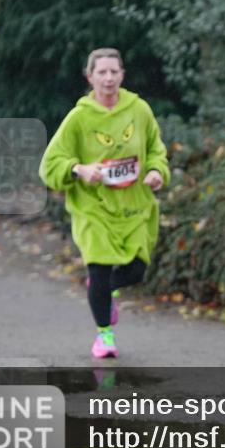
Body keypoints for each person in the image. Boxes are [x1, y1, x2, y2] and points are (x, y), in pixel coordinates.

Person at [39, 48, 170, 358]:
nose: (109, 78)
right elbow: (50, 163)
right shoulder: (79, 118)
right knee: (98, 271)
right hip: (93, 207)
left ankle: (106, 292)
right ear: (90, 77)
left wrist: (155, 171)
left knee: (136, 270)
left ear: (122, 75)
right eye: (102, 72)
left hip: (134, 206)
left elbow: (156, 150)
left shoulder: (139, 110)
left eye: (114, 72)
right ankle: (104, 336)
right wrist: (79, 169)